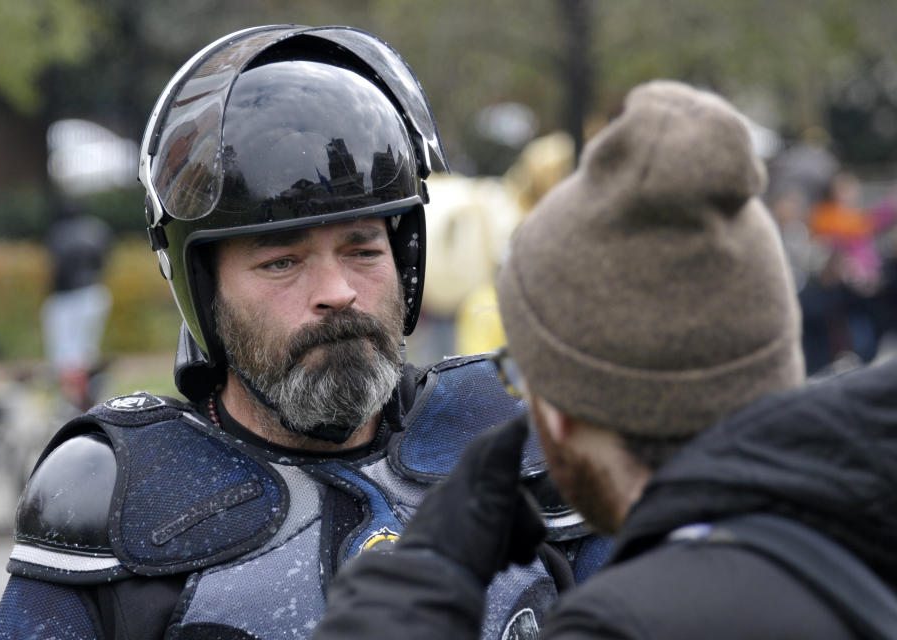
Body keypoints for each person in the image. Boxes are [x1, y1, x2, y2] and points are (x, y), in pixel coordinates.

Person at [0, 26, 608, 640]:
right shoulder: (114, 494)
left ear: (405, 261)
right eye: (281, 261)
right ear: (204, 291)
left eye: (363, 249)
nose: (337, 291)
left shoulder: (521, 440)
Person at [311, 81, 897, 638]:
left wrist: (426, 569)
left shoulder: (633, 622)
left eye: (524, 375)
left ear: (563, 411)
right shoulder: (843, 532)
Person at [40, 201, 114, 410]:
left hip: (66, 297)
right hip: (95, 292)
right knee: (84, 353)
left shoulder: (59, 233)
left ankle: (73, 400)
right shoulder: (98, 228)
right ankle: (87, 397)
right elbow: (104, 261)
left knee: (65, 356)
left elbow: (56, 269)